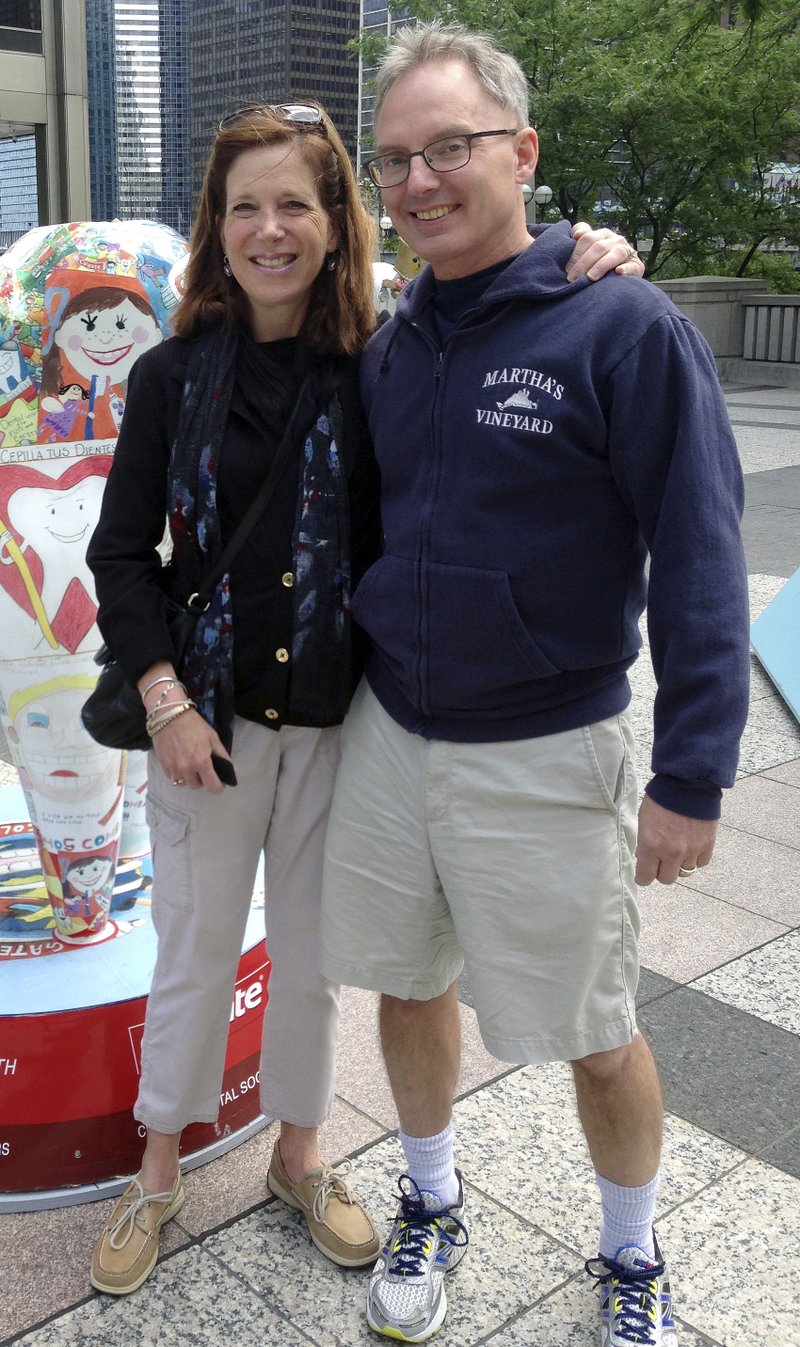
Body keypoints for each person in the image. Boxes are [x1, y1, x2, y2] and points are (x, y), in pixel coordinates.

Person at [84, 98, 635, 1299]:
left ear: (338, 222)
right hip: (210, 727)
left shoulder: (384, 359)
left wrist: (593, 258)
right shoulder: (174, 376)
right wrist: (167, 701)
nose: (270, 229)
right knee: (189, 953)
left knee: (314, 962)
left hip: (344, 719)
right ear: (215, 229)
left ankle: (298, 1153)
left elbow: (505, 298)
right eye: (245, 208)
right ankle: (159, 1169)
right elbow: (122, 557)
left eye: (296, 203)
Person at [320, 21, 750, 1347]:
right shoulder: (395, 341)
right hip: (393, 731)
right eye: (397, 159)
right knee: (406, 985)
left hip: (549, 744)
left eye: (449, 147)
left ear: (523, 150)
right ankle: (433, 1197)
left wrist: (693, 771)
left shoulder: (619, 322)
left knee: (596, 1027)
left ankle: (631, 1255)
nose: (420, 180)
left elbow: (701, 549)